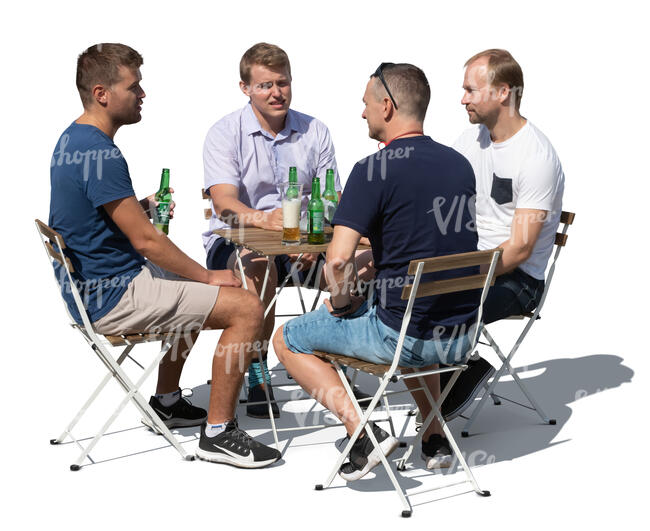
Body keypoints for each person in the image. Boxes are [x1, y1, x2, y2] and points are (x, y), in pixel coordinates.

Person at [49, 43, 280, 468]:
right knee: (246, 307)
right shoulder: (102, 151)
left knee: (190, 284)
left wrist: (142, 207)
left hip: (92, 287)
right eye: (133, 86)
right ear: (102, 93)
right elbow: (147, 243)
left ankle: (168, 401)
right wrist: (208, 276)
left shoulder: (72, 140)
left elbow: (100, 217)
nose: (142, 94)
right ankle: (219, 433)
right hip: (115, 294)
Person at [272, 63, 481, 479]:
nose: (362, 113)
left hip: (401, 338)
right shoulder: (460, 165)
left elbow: (336, 259)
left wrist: (343, 301)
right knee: (419, 311)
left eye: (366, 104)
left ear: (387, 105)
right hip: (459, 337)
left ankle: (362, 431)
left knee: (287, 338)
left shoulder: (373, 169)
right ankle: (434, 435)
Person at [203, 42, 373, 418]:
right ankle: (257, 368)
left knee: (363, 263)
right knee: (260, 264)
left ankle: (337, 358)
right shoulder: (225, 132)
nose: (276, 92)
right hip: (235, 243)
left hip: (304, 242)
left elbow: (333, 198)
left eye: (283, 83)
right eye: (265, 85)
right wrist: (267, 222)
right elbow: (224, 203)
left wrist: (321, 237)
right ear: (245, 87)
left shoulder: (315, 130)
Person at [441, 49, 565, 420]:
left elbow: (521, 249)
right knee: (396, 281)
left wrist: (462, 273)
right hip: (475, 262)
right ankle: (438, 377)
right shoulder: (470, 139)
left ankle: (465, 369)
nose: (462, 98)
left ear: (502, 93)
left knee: (433, 299)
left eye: (470, 90)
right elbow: (438, 193)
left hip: (518, 279)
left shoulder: (536, 156)